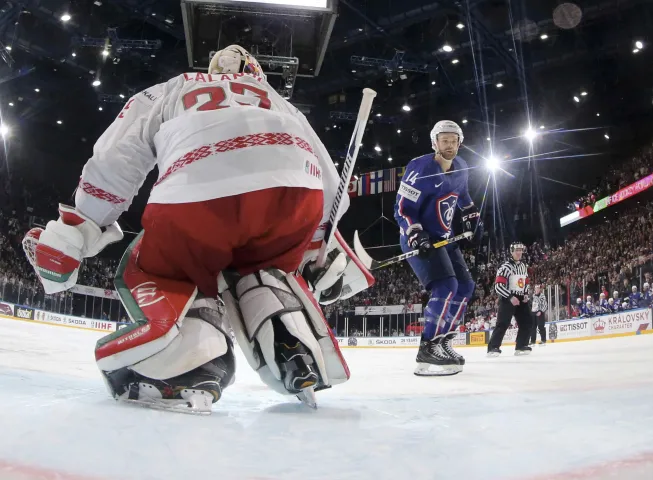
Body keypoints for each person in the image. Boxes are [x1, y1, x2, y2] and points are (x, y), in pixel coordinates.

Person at [22, 45, 373, 413]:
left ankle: (190, 363)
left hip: (202, 184)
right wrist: (318, 246)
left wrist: (82, 223)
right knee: (262, 269)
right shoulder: (278, 101)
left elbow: (118, 157)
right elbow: (332, 188)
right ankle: (292, 338)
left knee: (164, 267)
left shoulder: (174, 87)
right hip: (296, 193)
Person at [393, 120, 480, 377]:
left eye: (454, 140)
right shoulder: (420, 167)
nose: (450, 145)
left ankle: (443, 341)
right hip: (418, 237)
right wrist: (415, 232)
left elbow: (463, 196)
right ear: (435, 142)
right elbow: (402, 208)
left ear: (459, 142)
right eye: (445, 140)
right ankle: (427, 347)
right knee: (446, 286)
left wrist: (471, 214)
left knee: (465, 286)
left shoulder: (462, 167)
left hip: (445, 237)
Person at [487, 242, 532, 357]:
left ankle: (521, 345)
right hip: (508, 298)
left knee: (526, 322)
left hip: (521, 298)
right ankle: (493, 347)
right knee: (503, 323)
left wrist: (526, 293)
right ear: (511, 252)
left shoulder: (523, 266)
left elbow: (526, 281)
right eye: (516, 250)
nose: (519, 253)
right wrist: (510, 297)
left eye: (520, 250)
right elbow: (498, 286)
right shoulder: (505, 267)